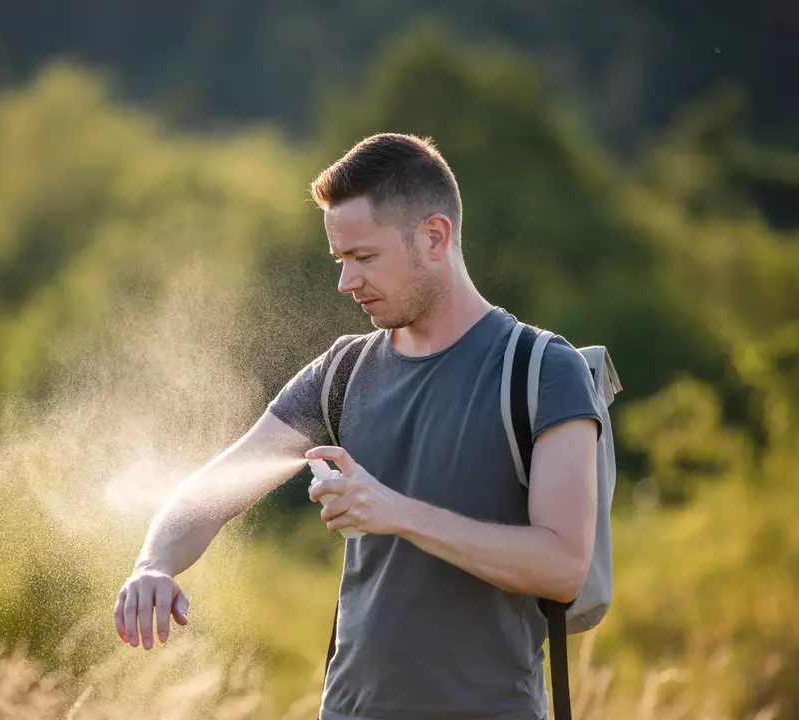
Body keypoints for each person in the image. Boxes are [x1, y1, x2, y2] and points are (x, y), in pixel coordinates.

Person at [113, 133, 601, 720]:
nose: (347, 282)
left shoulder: (544, 371)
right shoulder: (341, 373)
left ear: (434, 237)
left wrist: (397, 513)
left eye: (364, 258)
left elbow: (563, 567)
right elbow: (216, 487)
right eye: (341, 260)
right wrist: (154, 564)